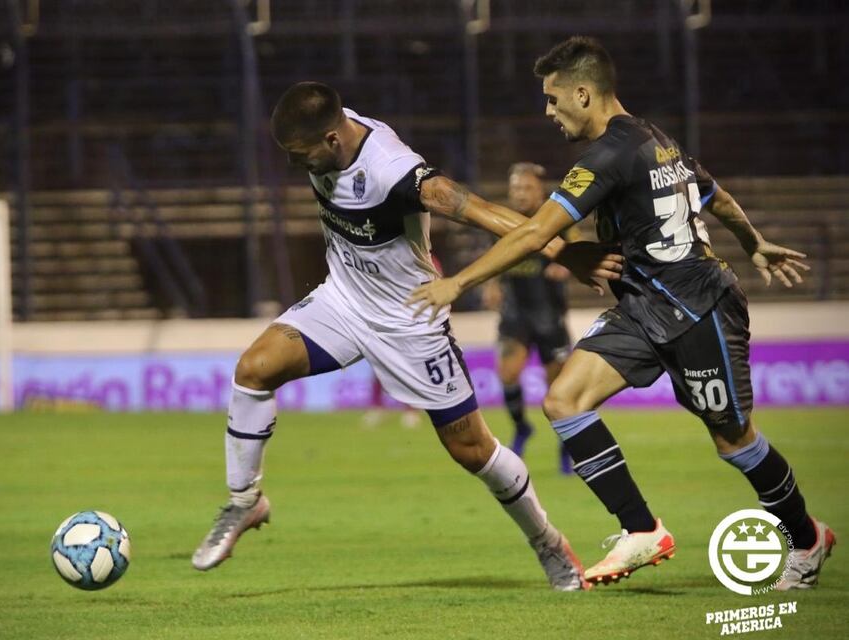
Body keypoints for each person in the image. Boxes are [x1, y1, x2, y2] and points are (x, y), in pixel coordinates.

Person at [408, 36, 833, 590]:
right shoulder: (656, 140)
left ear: (583, 94)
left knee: (734, 440)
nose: (548, 111)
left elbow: (536, 232)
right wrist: (753, 242)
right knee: (563, 400)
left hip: (699, 308)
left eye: (553, 98)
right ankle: (642, 529)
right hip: (642, 306)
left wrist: (458, 282)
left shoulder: (606, 156)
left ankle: (807, 537)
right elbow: (717, 195)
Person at [192, 81, 623, 591]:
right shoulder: (333, 127)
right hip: (344, 301)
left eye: (300, 154)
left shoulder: (391, 170)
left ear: (332, 139)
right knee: (254, 369)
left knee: (473, 451)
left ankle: (548, 542)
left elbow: (478, 209)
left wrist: (562, 251)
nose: (294, 164)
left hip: (409, 318)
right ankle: (245, 500)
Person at [481, 162, 576, 473]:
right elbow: (493, 259)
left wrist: (567, 264)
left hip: (549, 315)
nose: (520, 194)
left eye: (527, 188)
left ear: (540, 191)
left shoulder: (557, 220)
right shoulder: (502, 221)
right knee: (507, 373)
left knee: (558, 390)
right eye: (516, 188)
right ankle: (522, 427)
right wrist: (492, 285)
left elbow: (579, 250)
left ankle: (566, 444)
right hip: (515, 313)